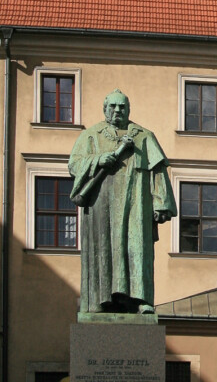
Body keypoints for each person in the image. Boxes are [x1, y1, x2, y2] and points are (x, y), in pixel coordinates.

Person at [68, 90, 176, 315]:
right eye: (113, 106)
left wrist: (161, 203)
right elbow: (74, 165)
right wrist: (98, 159)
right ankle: (100, 300)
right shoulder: (91, 136)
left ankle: (141, 300)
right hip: (101, 206)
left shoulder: (143, 136)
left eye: (122, 107)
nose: (118, 110)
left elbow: (158, 171)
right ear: (105, 108)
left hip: (136, 206)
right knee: (103, 252)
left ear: (128, 109)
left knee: (137, 250)